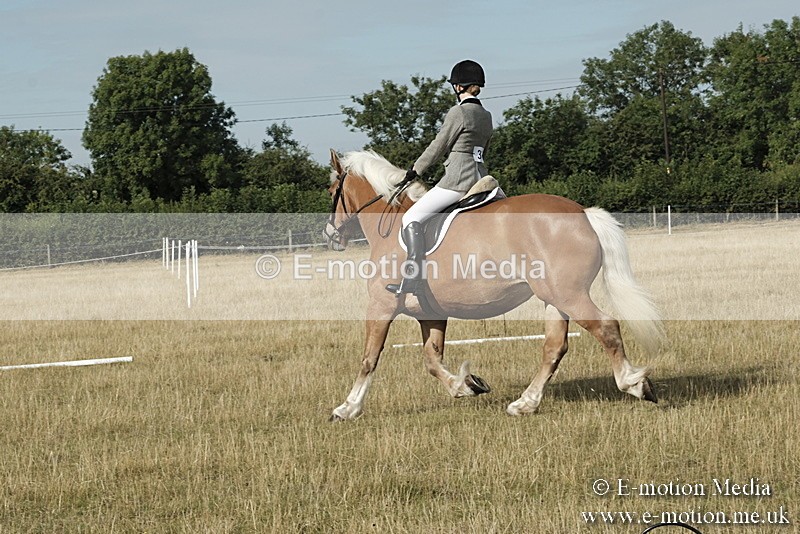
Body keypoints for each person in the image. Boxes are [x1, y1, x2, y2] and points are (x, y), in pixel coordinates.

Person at [387, 59, 493, 296]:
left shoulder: (458, 112)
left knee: (411, 217)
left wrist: (416, 170)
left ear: (458, 87)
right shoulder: (486, 115)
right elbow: (485, 148)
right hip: (481, 177)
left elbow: (439, 145)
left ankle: (413, 278)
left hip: (459, 180)